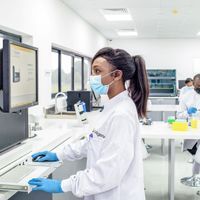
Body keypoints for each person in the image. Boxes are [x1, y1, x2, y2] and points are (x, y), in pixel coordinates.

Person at [28, 47, 149, 200]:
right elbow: (93, 142)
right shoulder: (112, 106)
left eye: (97, 71)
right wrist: (59, 154)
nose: (92, 77)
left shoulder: (121, 115)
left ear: (117, 75)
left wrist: (62, 185)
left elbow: (108, 173)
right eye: (92, 72)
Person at [177, 74, 200, 160]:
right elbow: (179, 115)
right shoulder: (186, 96)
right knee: (191, 148)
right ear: (193, 83)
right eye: (198, 86)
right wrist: (188, 112)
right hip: (193, 128)